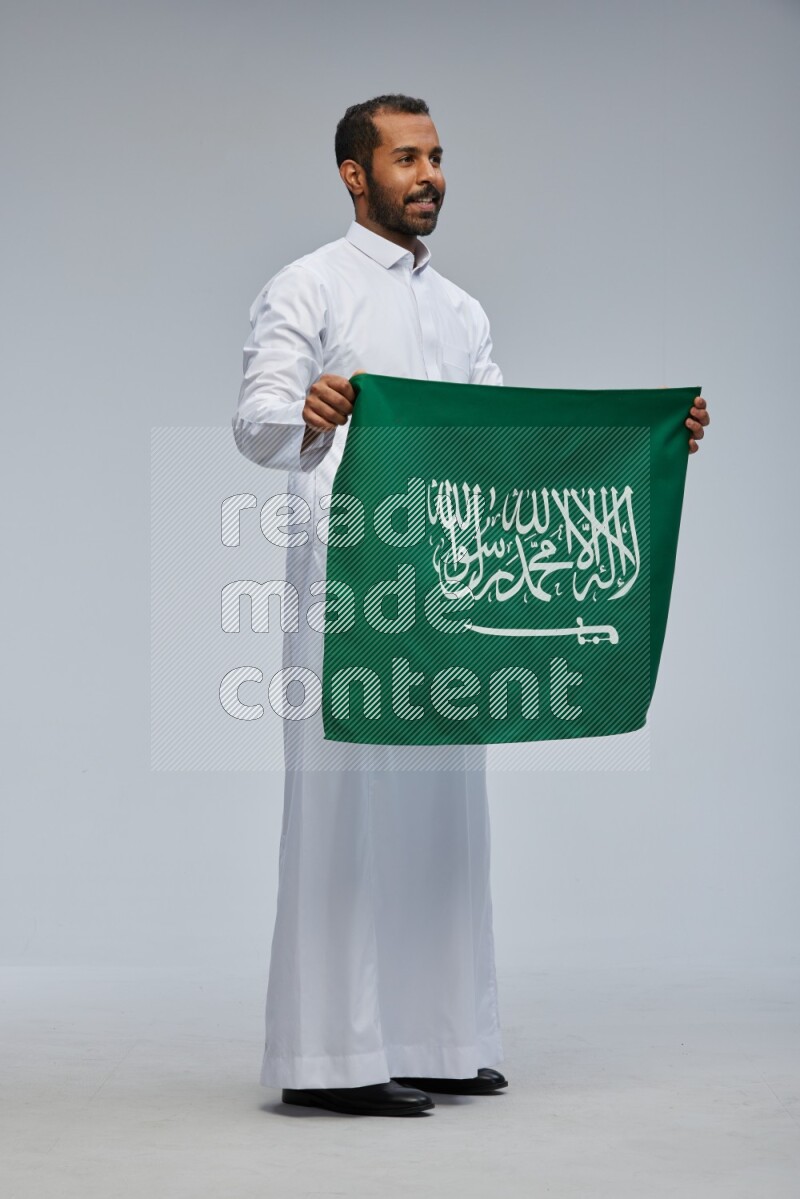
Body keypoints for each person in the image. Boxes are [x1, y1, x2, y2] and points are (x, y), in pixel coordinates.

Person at [231, 94, 710, 1119]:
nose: (429, 174)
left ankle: (440, 1033)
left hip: (450, 586)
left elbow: (505, 441)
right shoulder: (307, 285)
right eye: (406, 158)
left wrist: (652, 437)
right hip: (351, 583)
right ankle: (330, 1056)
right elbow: (257, 415)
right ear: (355, 175)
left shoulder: (461, 311)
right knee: (342, 810)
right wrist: (307, 410)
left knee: (446, 808)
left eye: (437, 157)